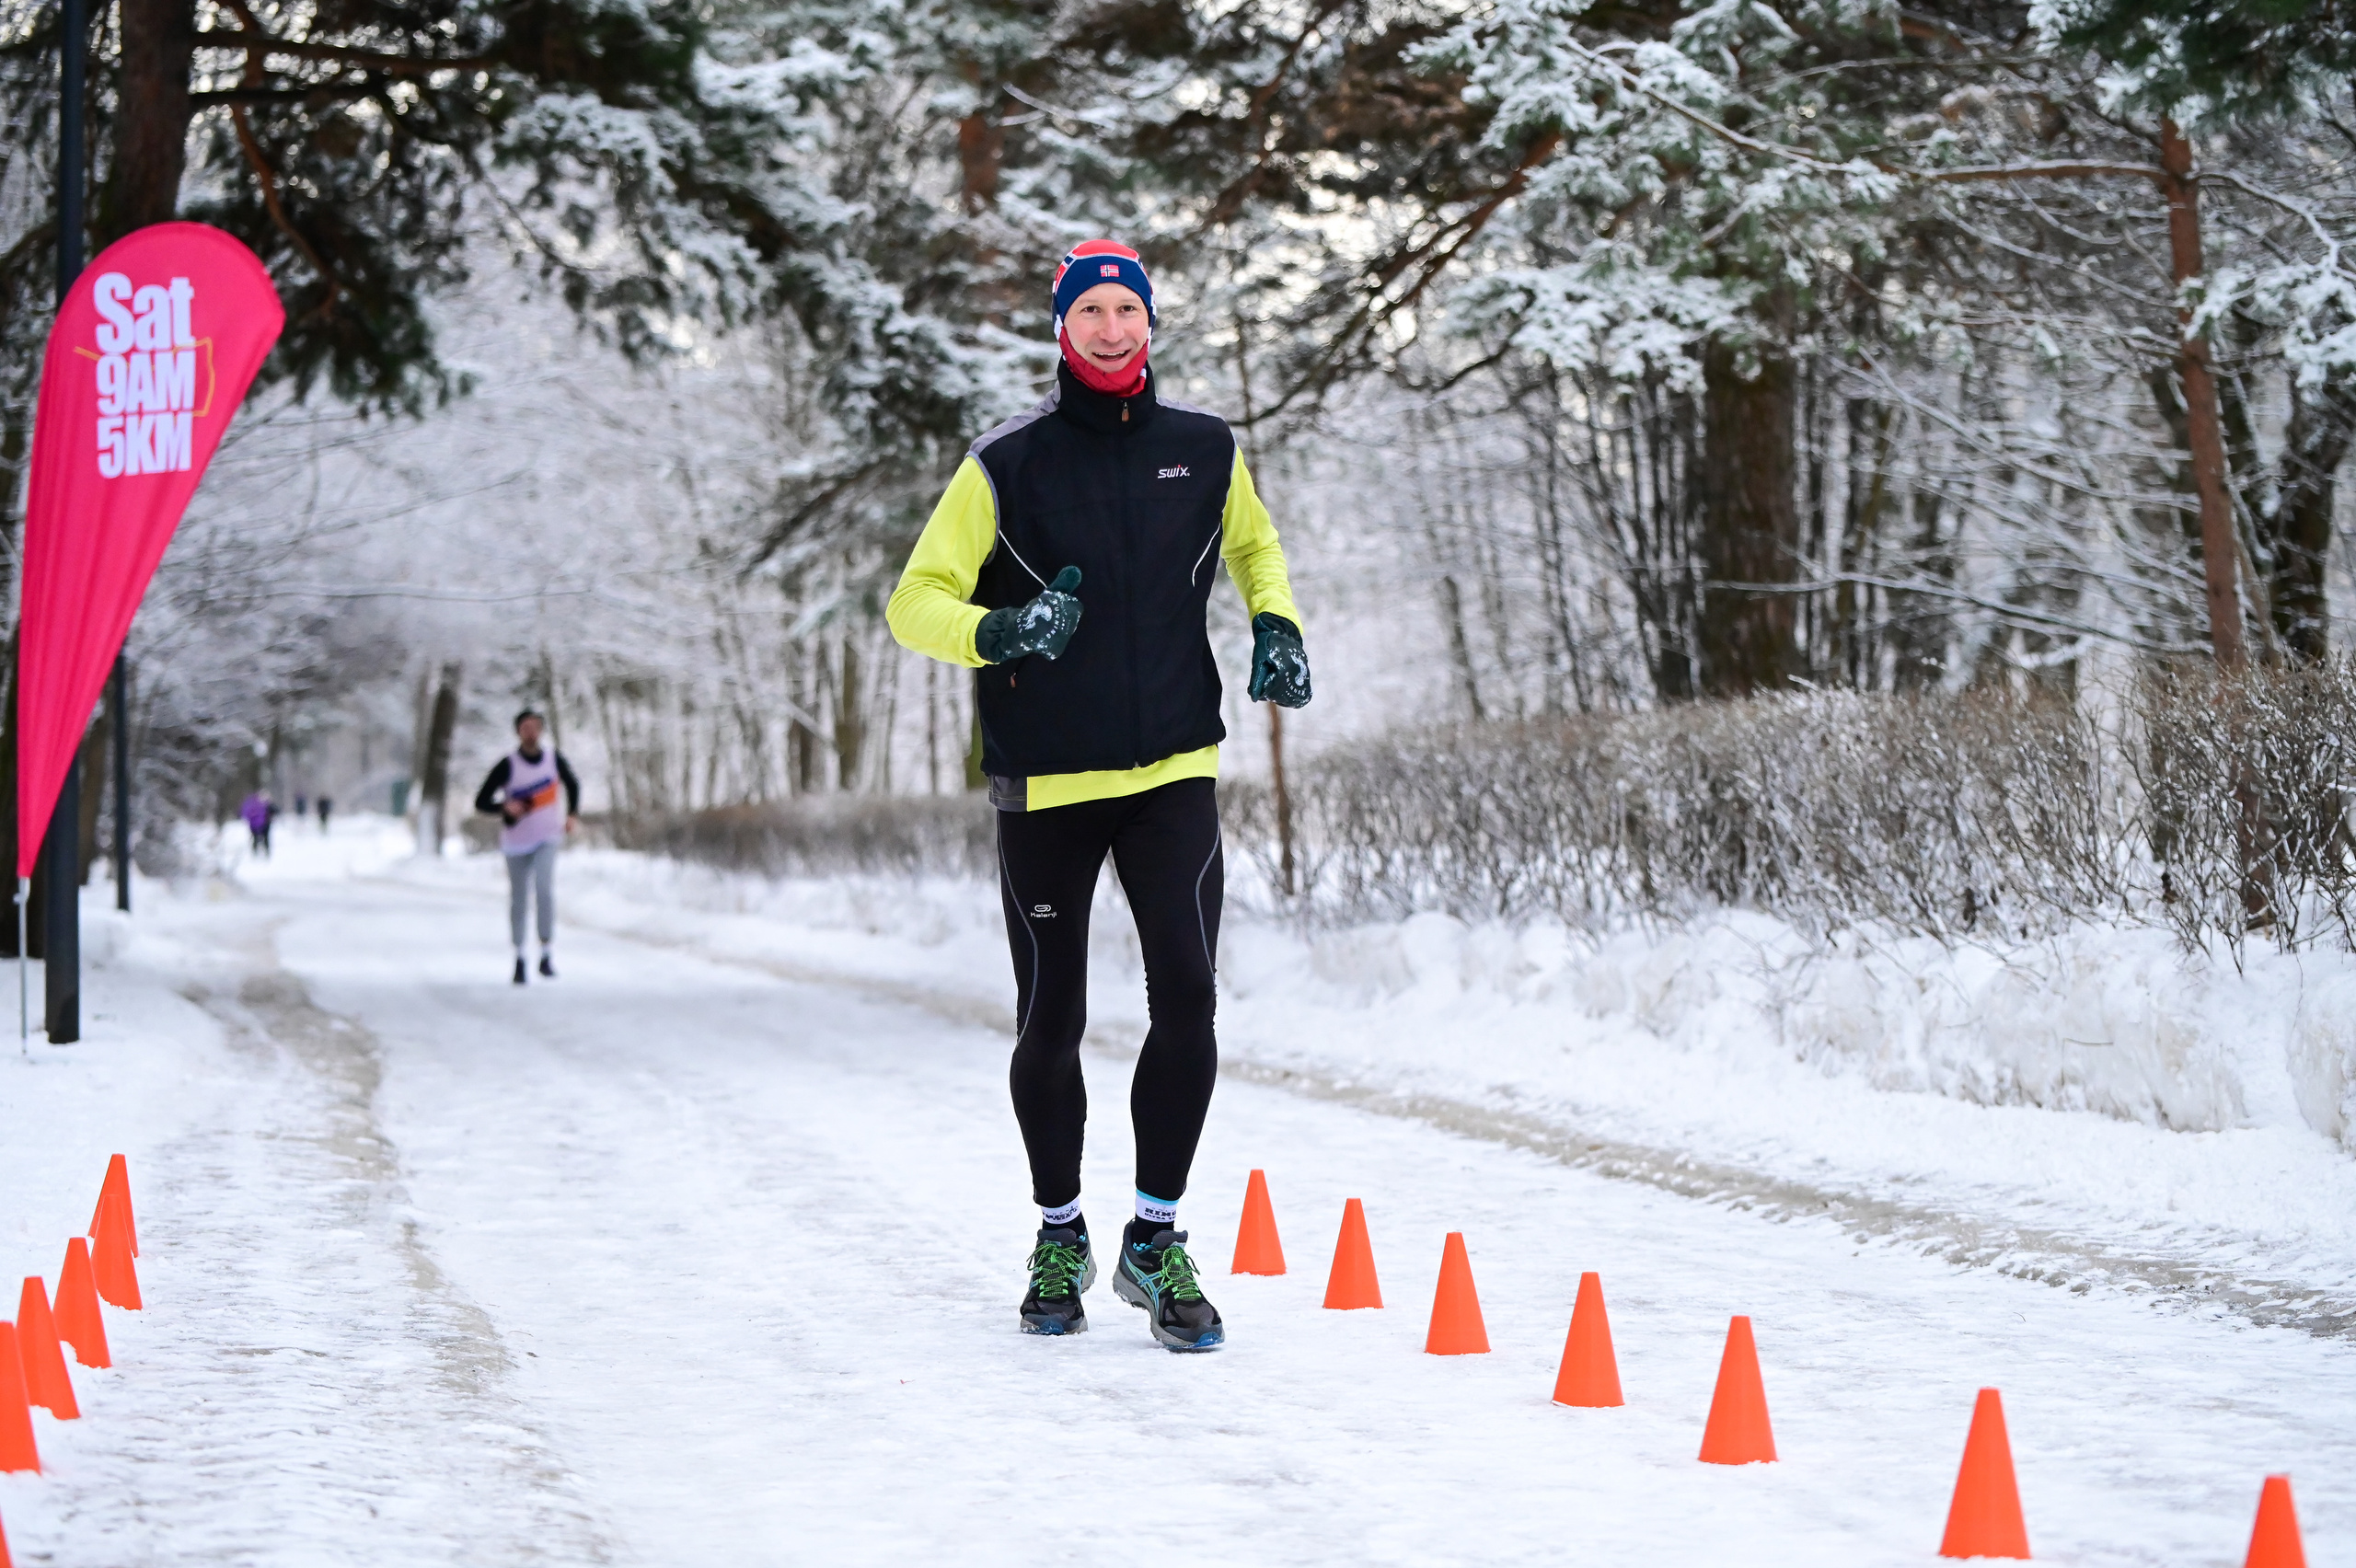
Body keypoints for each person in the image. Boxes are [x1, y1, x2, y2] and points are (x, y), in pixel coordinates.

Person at [886, 239, 1312, 1352]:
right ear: (1062, 329)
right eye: (1094, 313)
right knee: (1053, 1016)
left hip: (1171, 765)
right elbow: (912, 601)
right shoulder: (1005, 463)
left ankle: (1154, 1238)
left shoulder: (1203, 448)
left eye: (1130, 310)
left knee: (1188, 995)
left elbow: (1256, 551)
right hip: (1047, 779)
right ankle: (1060, 1232)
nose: (1113, 329)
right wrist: (1001, 630)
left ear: (1152, 325)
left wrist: (1277, 625)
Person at [472, 709, 581, 986]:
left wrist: (572, 814)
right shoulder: (508, 765)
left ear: (542, 731)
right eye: (525, 728)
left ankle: (545, 952)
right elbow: (481, 801)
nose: (531, 732)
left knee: (544, 891)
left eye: (535, 727)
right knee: (519, 899)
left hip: (547, 837)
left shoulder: (553, 759)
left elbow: (573, 784)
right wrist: (504, 806)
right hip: (516, 842)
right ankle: (519, 956)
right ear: (518, 732)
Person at [241, 790, 274, 857]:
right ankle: (265, 852)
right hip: (261, 824)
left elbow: (245, 814)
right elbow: (263, 814)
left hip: (254, 825)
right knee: (264, 838)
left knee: (256, 838)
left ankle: (256, 852)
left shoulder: (250, 804)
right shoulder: (261, 804)